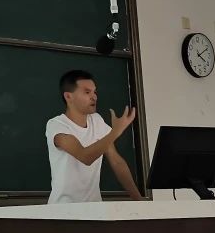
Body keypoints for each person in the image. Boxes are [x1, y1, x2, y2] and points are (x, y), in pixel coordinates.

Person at [46, 69, 143, 203]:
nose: (94, 97)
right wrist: (115, 132)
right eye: (87, 92)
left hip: (95, 207)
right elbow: (85, 157)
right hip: (64, 208)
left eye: (94, 92)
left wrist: (139, 200)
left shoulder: (96, 120)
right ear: (68, 97)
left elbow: (117, 162)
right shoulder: (56, 125)